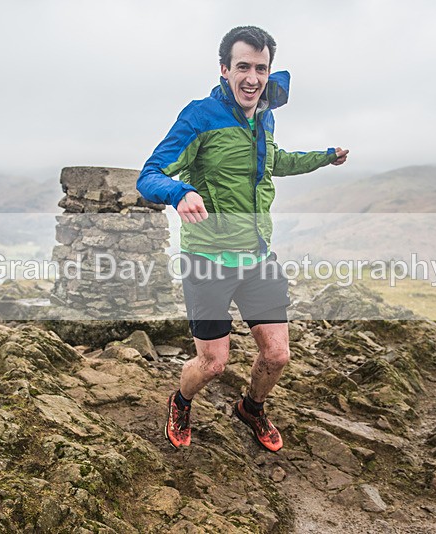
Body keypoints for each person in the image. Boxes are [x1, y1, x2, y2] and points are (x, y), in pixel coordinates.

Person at [137, 26, 348, 451]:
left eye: (261, 69)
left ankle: (251, 408)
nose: (253, 78)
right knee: (213, 364)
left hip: (257, 257)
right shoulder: (200, 117)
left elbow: (274, 160)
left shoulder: (264, 115)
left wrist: (323, 158)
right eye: (243, 67)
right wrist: (180, 192)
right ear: (224, 69)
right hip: (208, 259)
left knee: (278, 355)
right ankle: (181, 401)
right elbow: (150, 175)